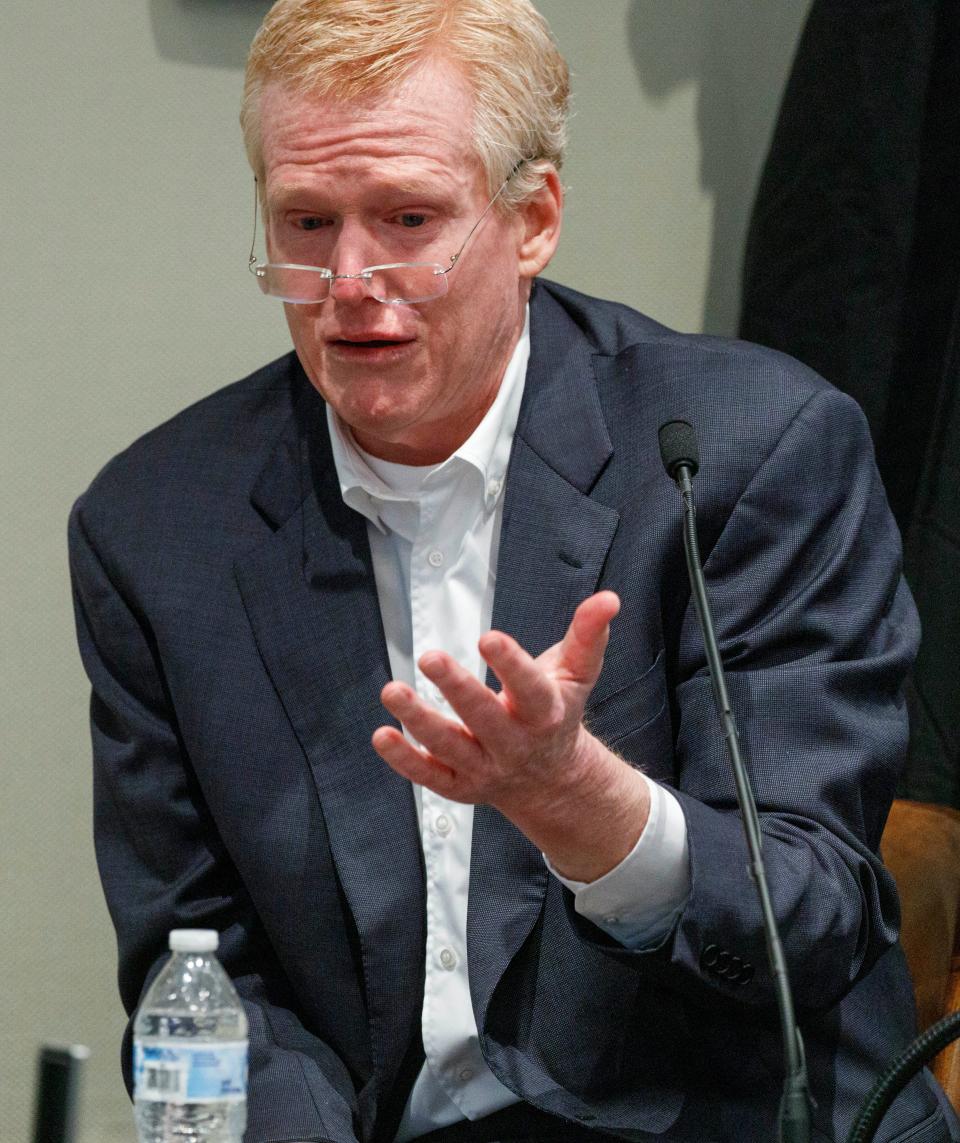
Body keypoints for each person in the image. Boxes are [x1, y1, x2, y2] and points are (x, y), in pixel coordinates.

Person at [68, 2, 957, 1141]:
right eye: (305, 220)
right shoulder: (158, 530)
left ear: (532, 220)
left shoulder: (745, 452)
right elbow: (203, 978)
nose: (348, 279)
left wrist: (587, 809)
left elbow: (813, 914)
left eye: (407, 217)